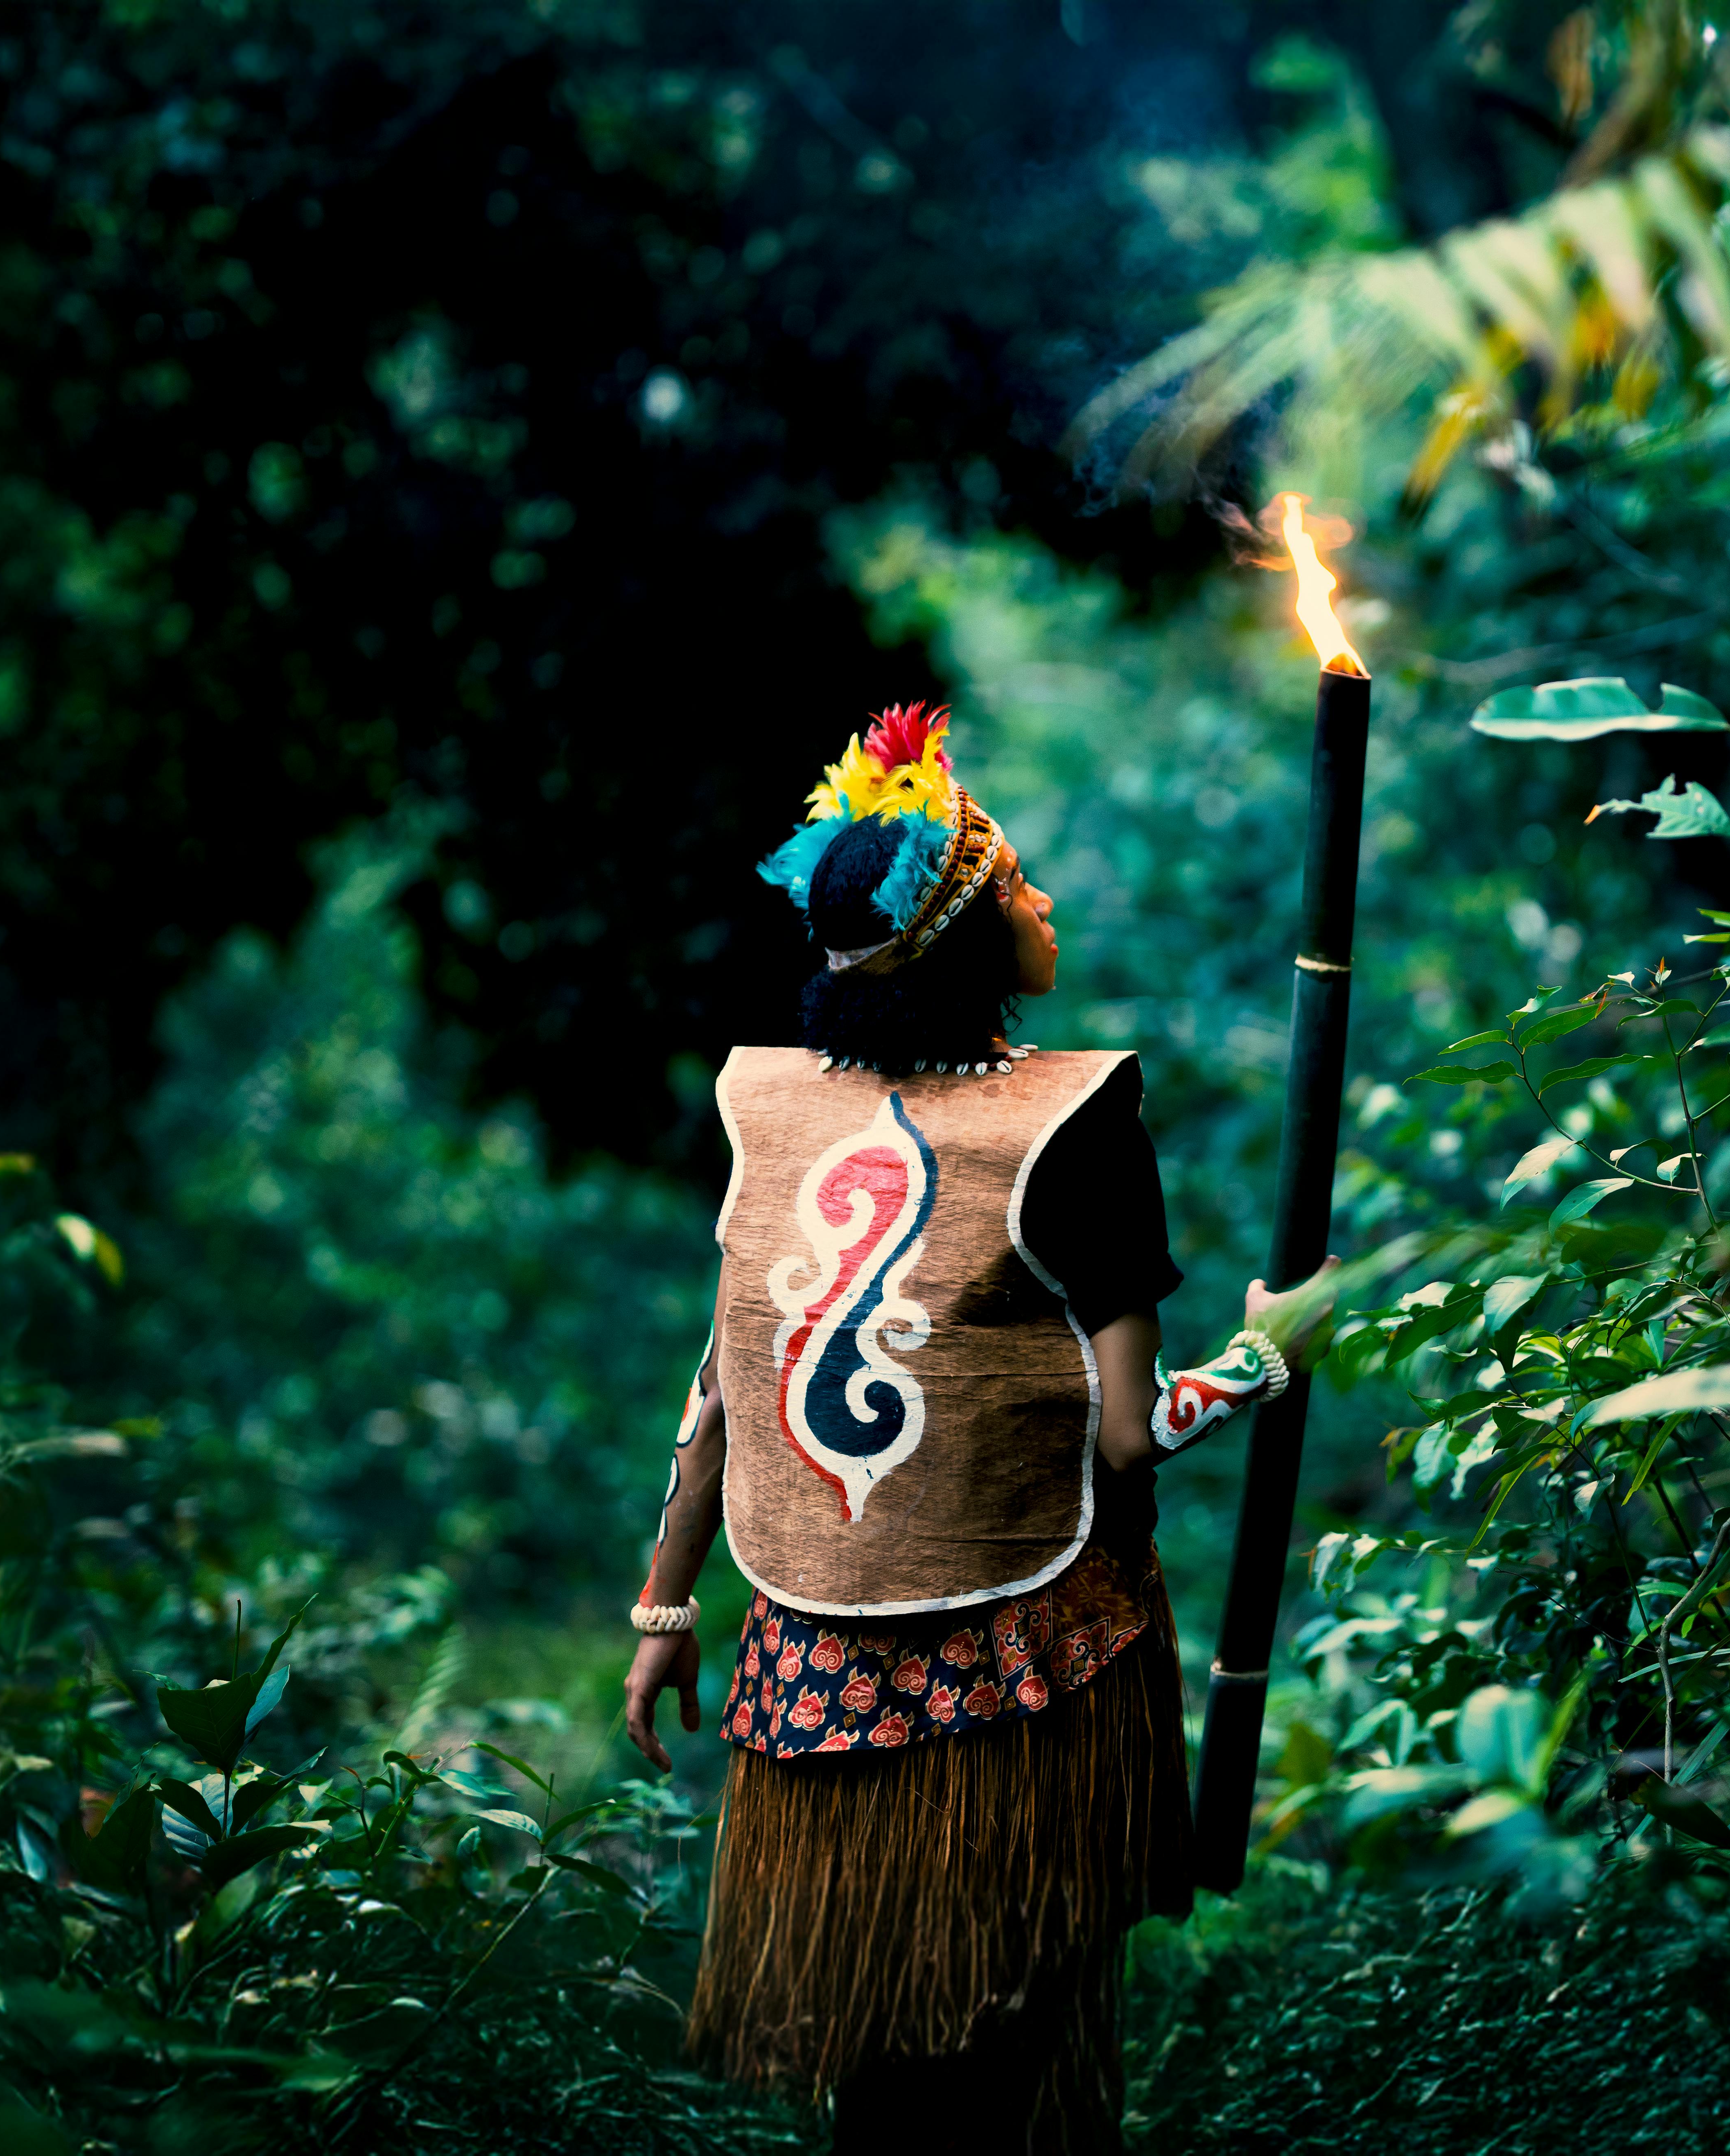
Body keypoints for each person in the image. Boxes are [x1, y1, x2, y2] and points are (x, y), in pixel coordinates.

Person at [617, 703, 1334, 2152]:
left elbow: (719, 1381)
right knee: (1018, 2033)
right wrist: (1267, 1354)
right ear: (961, 937)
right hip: (1032, 1668)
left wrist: (663, 1602)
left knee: (879, 2049)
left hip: (808, 1664)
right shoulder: (1078, 1123)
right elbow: (1130, 1442)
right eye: (1016, 886)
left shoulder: (773, 1114)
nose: (1045, 901)